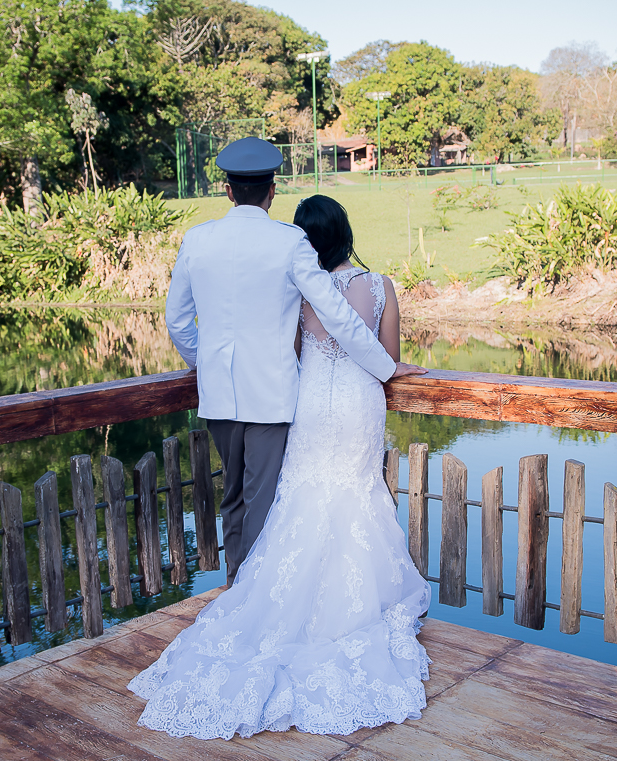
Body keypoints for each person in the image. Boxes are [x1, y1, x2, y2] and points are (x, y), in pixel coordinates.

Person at [129, 194, 432, 740]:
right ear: (345, 232)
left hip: (310, 403)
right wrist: (390, 366)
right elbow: (387, 356)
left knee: (302, 496)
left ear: (305, 240)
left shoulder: (299, 291)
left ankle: (266, 598)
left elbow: (292, 348)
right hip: (361, 401)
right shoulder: (380, 285)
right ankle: (357, 605)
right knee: (356, 491)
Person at [164, 137, 424, 587]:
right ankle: (255, 597)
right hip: (272, 395)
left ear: (228, 189)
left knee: (233, 496)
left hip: (219, 395)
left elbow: (178, 321)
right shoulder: (289, 243)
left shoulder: (197, 239)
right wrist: (386, 367)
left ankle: (236, 586)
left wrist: (201, 362)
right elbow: (337, 315)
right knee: (264, 499)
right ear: (272, 190)